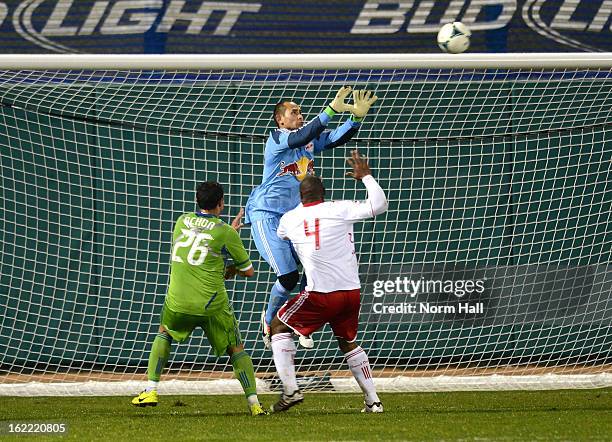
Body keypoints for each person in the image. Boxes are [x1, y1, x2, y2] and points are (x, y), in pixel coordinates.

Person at [245, 87, 378, 349]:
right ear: (280, 119)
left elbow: (334, 139)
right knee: (288, 277)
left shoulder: (306, 141)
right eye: (294, 112)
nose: (300, 115)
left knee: (315, 270)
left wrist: (355, 119)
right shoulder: (277, 137)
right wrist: (330, 109)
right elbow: (300, 136)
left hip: (295, 217)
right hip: (267, 215)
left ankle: (298, 320)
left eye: (301, 112)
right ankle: (270, 321)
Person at [132, 181, 267, 416]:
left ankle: (151, 389)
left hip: (178, 302)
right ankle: (254, 404)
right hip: (211, 304)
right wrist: (232, 265)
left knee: (164, 331)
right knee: (236, 348)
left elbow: (203, 239)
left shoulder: (181, 220)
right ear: (221, 203)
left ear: (197, 201)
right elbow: (248, 271)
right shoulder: (225, 231)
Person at [269, 149, 388, 413]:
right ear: (324, 194)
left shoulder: (290, 219)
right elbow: (379, 205)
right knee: (347, 342)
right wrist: (366, 176)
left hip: (320, 294)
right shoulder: (340, 208)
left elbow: (282, 234)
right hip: (350, 293)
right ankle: (373, 401)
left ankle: (290, 391)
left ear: (300, 197)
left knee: (277, 325)